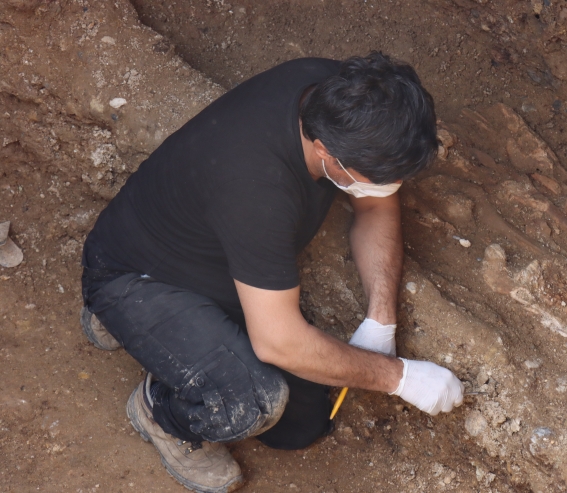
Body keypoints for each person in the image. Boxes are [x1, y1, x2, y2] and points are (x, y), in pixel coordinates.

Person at [80, 52, 464, 493]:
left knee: (300, 426)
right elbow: (279, 340)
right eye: (377, 176)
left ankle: (165, 345)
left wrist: (382, 319)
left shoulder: (338, 96)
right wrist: (400, 378)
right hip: (133, 276)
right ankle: (160, 411)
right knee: (253, 401)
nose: (387, 187)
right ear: (326, 153)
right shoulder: (255, 191)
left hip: (213, 258)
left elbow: (375, 200)